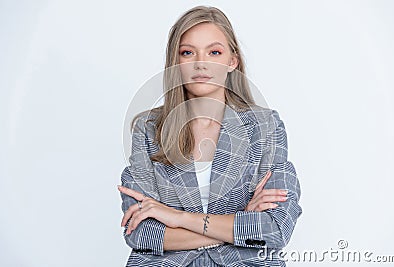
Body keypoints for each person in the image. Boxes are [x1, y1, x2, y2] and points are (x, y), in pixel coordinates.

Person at [118, 5, 302, 267]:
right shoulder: (148, 130)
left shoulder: (265, 127)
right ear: (175, 63)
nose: (200, 63)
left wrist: (176, 217)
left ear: (232, 61)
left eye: (214, 52)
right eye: (187, 52)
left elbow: (274, 228)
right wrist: (238, 224)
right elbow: (141, 233)